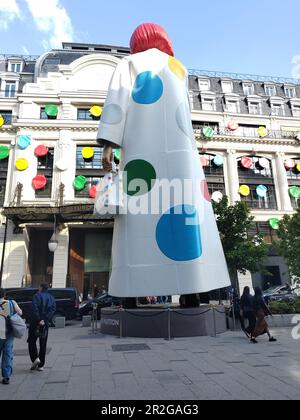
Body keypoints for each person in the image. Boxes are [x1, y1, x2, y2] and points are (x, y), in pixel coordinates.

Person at [98, 22, 231, 299]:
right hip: (180, 156)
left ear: (136, 40)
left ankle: (132, 295)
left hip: (140, 153)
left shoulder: (129, 63)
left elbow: (117, 102)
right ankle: (191, 293)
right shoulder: (178, 67)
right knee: (184, 218)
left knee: (137, 221)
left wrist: (108, 144)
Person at [28, 283, 56, 372]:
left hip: (35, 322)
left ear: (40, 287)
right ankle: (41, 365)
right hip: (45, 323)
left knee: (31, 341)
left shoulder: (36, 296)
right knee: (43, 343)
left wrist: (39, 319)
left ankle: (35, 359)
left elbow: (34, 308)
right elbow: (53, 309)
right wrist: (45, 319)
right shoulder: (51, 297)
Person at [0, 288, 23, 385]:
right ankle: (6, 377)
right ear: (4, 294)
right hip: (8, 333)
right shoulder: (11, 302)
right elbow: (20, 312)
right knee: (7, 354)